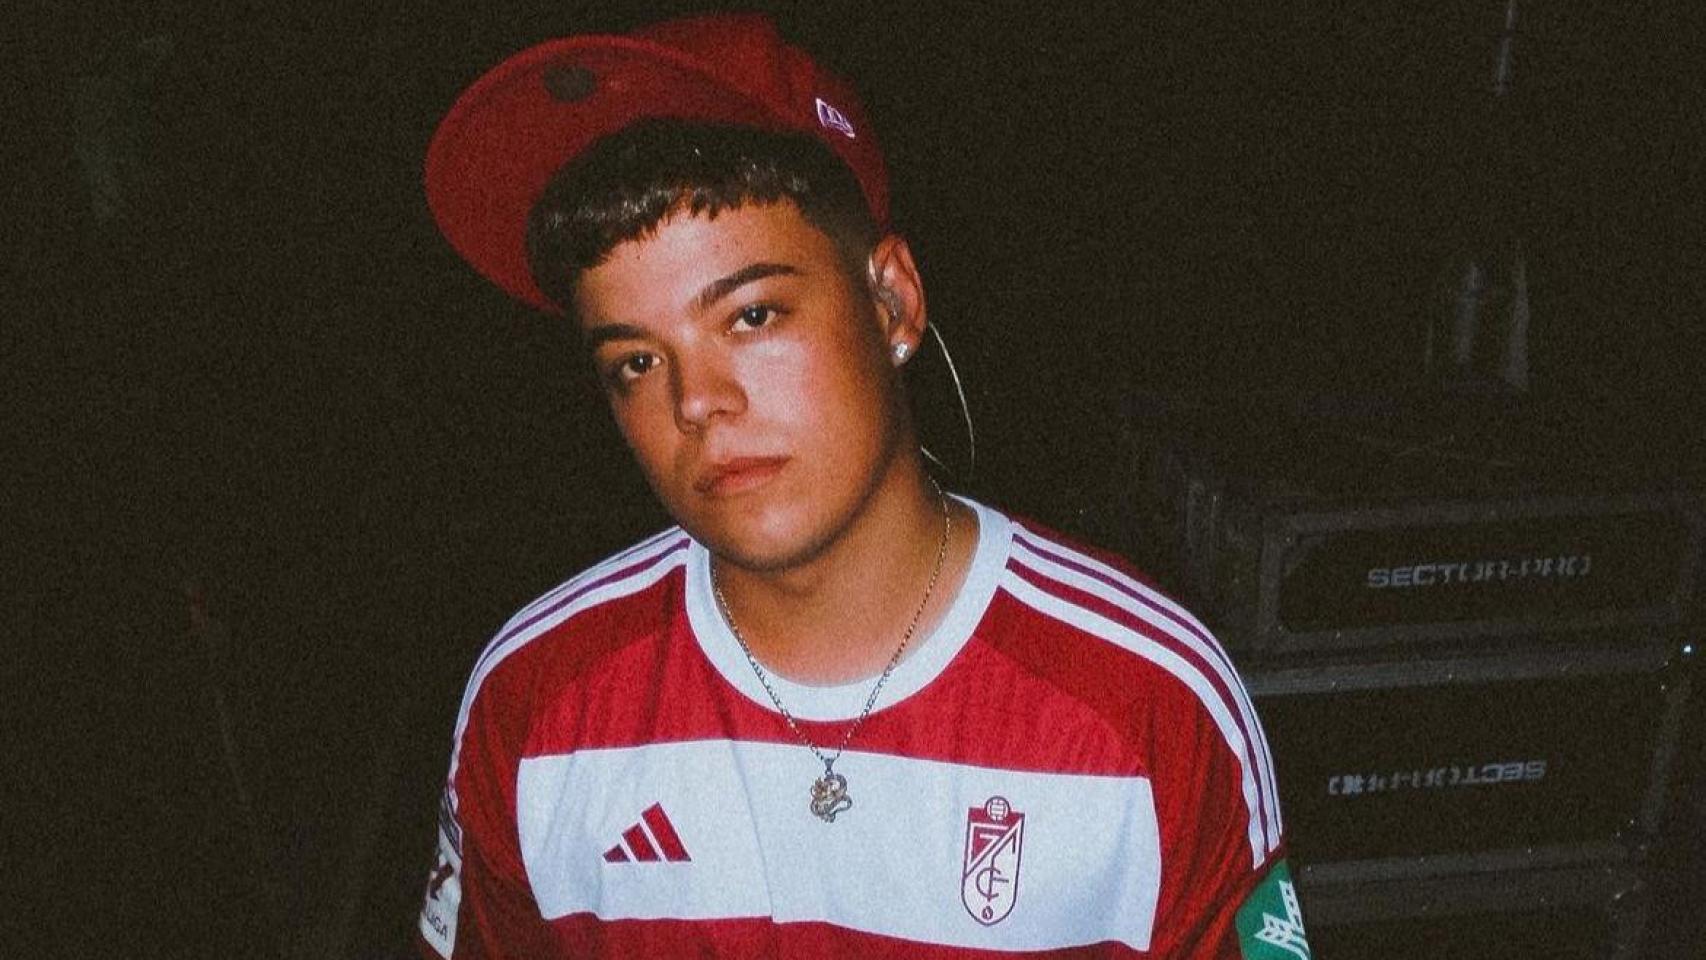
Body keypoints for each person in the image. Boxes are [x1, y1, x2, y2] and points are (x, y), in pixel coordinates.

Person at [417, 13, 1306, 959]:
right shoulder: (536, 702)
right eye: (634, 361)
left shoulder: (1149, 702)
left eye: (751, 315)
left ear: (893, 303)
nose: (697, 401)